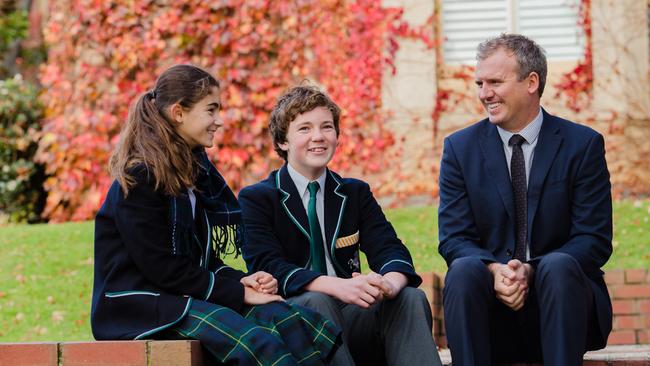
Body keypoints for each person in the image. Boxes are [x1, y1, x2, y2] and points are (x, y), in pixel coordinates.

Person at [91, 64, 342, 366]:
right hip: (140, 306)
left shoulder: (193, 175)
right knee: (256, 343)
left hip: (180, 295)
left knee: (287, 318)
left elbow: (200, 261)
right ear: (178, 113)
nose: (218, 121)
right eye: (211, 110)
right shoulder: (140, 177)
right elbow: (162, 269)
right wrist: (237, 292)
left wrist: (245, 281)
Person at [438, 33, 613, 365]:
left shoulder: (582, 145)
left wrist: (531, 272)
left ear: (531, 82)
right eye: (479, 83)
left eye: (495, 82)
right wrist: (494, 271)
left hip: (564, 306)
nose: (484, 93)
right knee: (463, 270)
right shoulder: (459, 149)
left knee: (560, 265)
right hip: (490, 314)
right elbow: (454, 238)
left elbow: (594, 239)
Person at [238, 85, 442, 366]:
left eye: (326, 127)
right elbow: (268, 265)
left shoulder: (354, 193)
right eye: (305, 129)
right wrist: (337, 286)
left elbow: (389, 248)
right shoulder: (258, 198)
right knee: (318, 301)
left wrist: (388, 284)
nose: (318, 137)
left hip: (351, 316)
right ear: (283, 141)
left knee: (409, 298)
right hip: (292, 321)